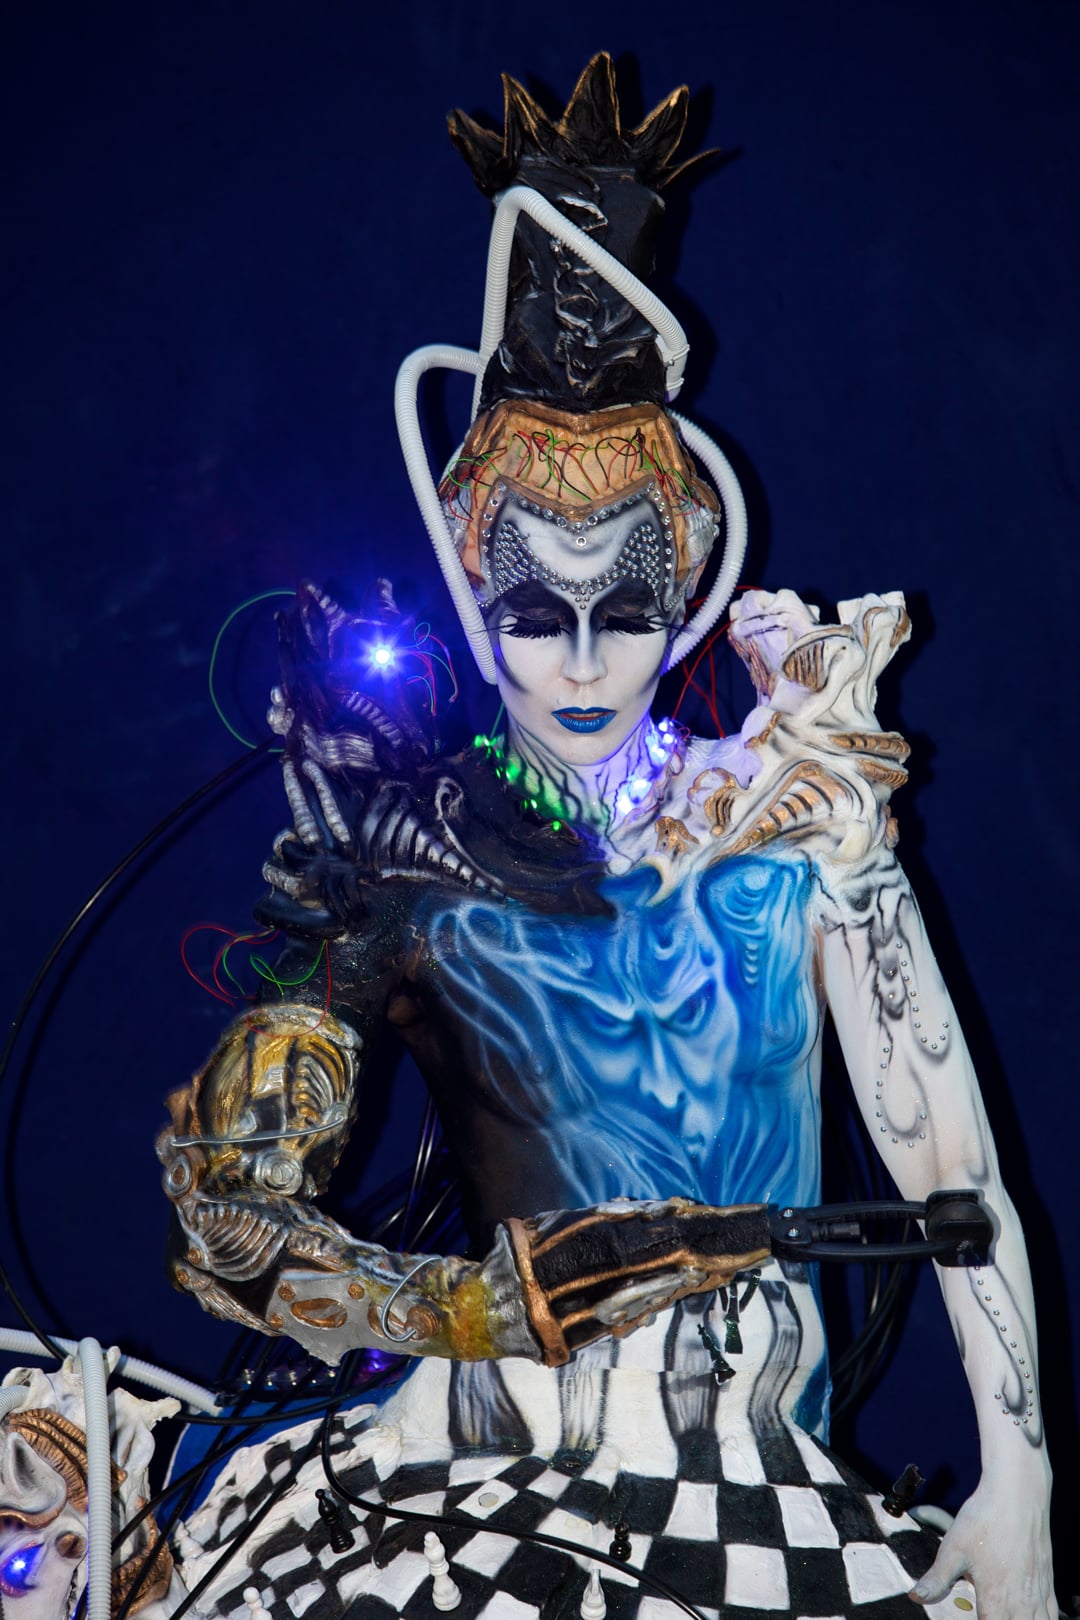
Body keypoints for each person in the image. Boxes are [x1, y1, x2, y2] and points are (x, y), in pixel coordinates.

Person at [160, 57, 1053, 1620]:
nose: (581, 658)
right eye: (533, 608)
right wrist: (473, 1310)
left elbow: (953, 1175)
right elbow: (233, 1218)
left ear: (690, 582)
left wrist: (1021, 1489)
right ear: (470, 581)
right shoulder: (396, 864)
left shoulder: (799, 818)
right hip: (465, 1475)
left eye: (624, 606)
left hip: (765, 1491)